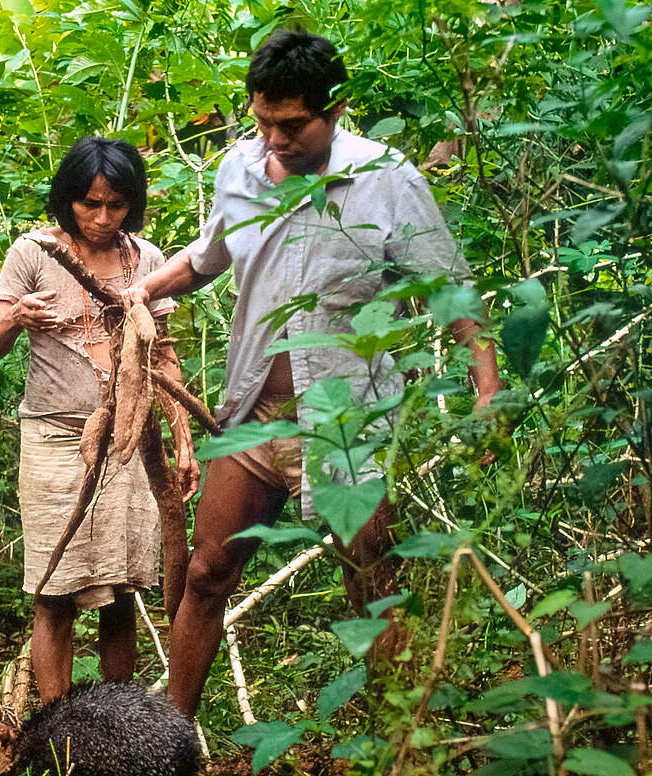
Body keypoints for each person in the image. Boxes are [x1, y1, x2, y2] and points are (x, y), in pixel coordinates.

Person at [124, 30, 503, 716]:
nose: (275, 139)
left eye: (293, 125)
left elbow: (447, 283)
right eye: (263, 121)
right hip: (252, 420)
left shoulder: (386, 178)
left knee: (373, 582)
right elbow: (208, 255)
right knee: (207, 575)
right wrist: (142, 292)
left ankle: (396, 749)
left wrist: (486, 380)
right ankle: (170, 742)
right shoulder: (238, 169)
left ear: (336, 109)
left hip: (346, 423)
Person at [0, 137, 196, 703]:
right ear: (68, 197)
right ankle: (56, 727)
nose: (101, 218)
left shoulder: (144, 260)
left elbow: (162, 353)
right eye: (89, 204)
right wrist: (18, 318)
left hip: (128, 443)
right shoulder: (33, 252)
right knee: (54, 589)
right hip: (53, 437)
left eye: (116, 205)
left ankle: (117, 722)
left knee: (123, 589)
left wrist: (183, 438)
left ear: (133, 203)